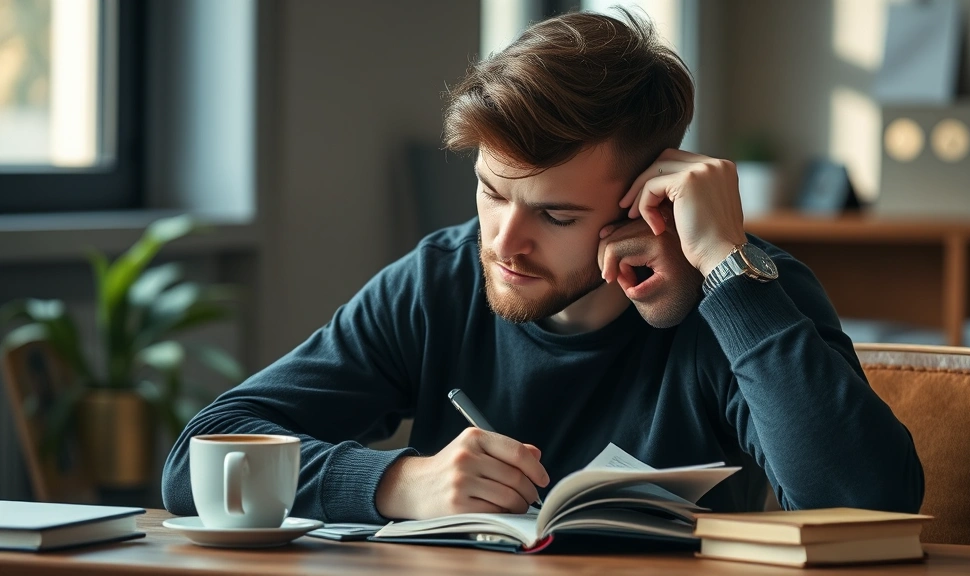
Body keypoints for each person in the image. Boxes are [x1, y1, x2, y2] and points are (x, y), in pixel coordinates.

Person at [162, 10, 923, 523]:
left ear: (642, 202)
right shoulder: (441, 282)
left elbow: (868, 502)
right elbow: (202, 456)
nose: (505, 241)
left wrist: (724, 266)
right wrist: (397, 482)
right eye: (493, 193)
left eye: (556, 215)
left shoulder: (746, 292)